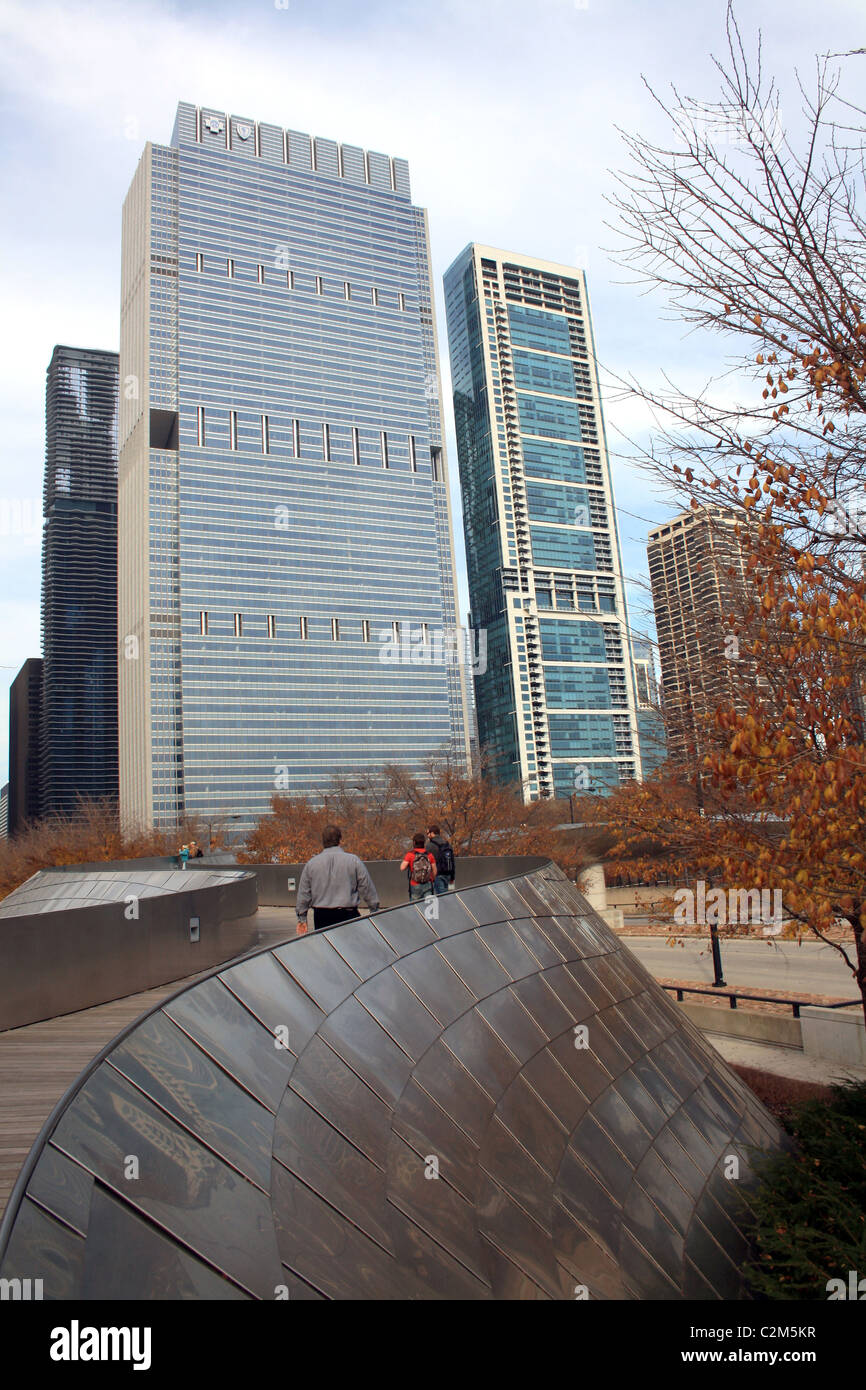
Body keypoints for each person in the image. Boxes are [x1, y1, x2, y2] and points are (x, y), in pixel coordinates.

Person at [296, 825, 380, 934]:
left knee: (327, 948)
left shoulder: (311, 864)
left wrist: (302, 918)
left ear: (323, 841)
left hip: (322, 917)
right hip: (348, 915)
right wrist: (374, 909)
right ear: (340, 840)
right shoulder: (353, 861)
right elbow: (367, 887)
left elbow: (304, 893)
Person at [400, 832, 438, 901]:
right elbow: (435, 870)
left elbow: (402, 868)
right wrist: (432, 879)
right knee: (427, 907)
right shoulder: (429, 855)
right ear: (424, 842)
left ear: (414, 842)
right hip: (428, 884)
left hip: (415, 884)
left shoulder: (410, 854)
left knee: (415, 907)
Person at [425, 823, 456, 895]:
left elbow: (426, 861)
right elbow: (452, 861)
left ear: (432, 833)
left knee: (442, 898)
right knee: (450, 896)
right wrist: (452, 877)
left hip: (438, 875)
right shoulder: (447, 844)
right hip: (449, 874)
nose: (427, 835)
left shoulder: (430, 845)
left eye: (428, 833)